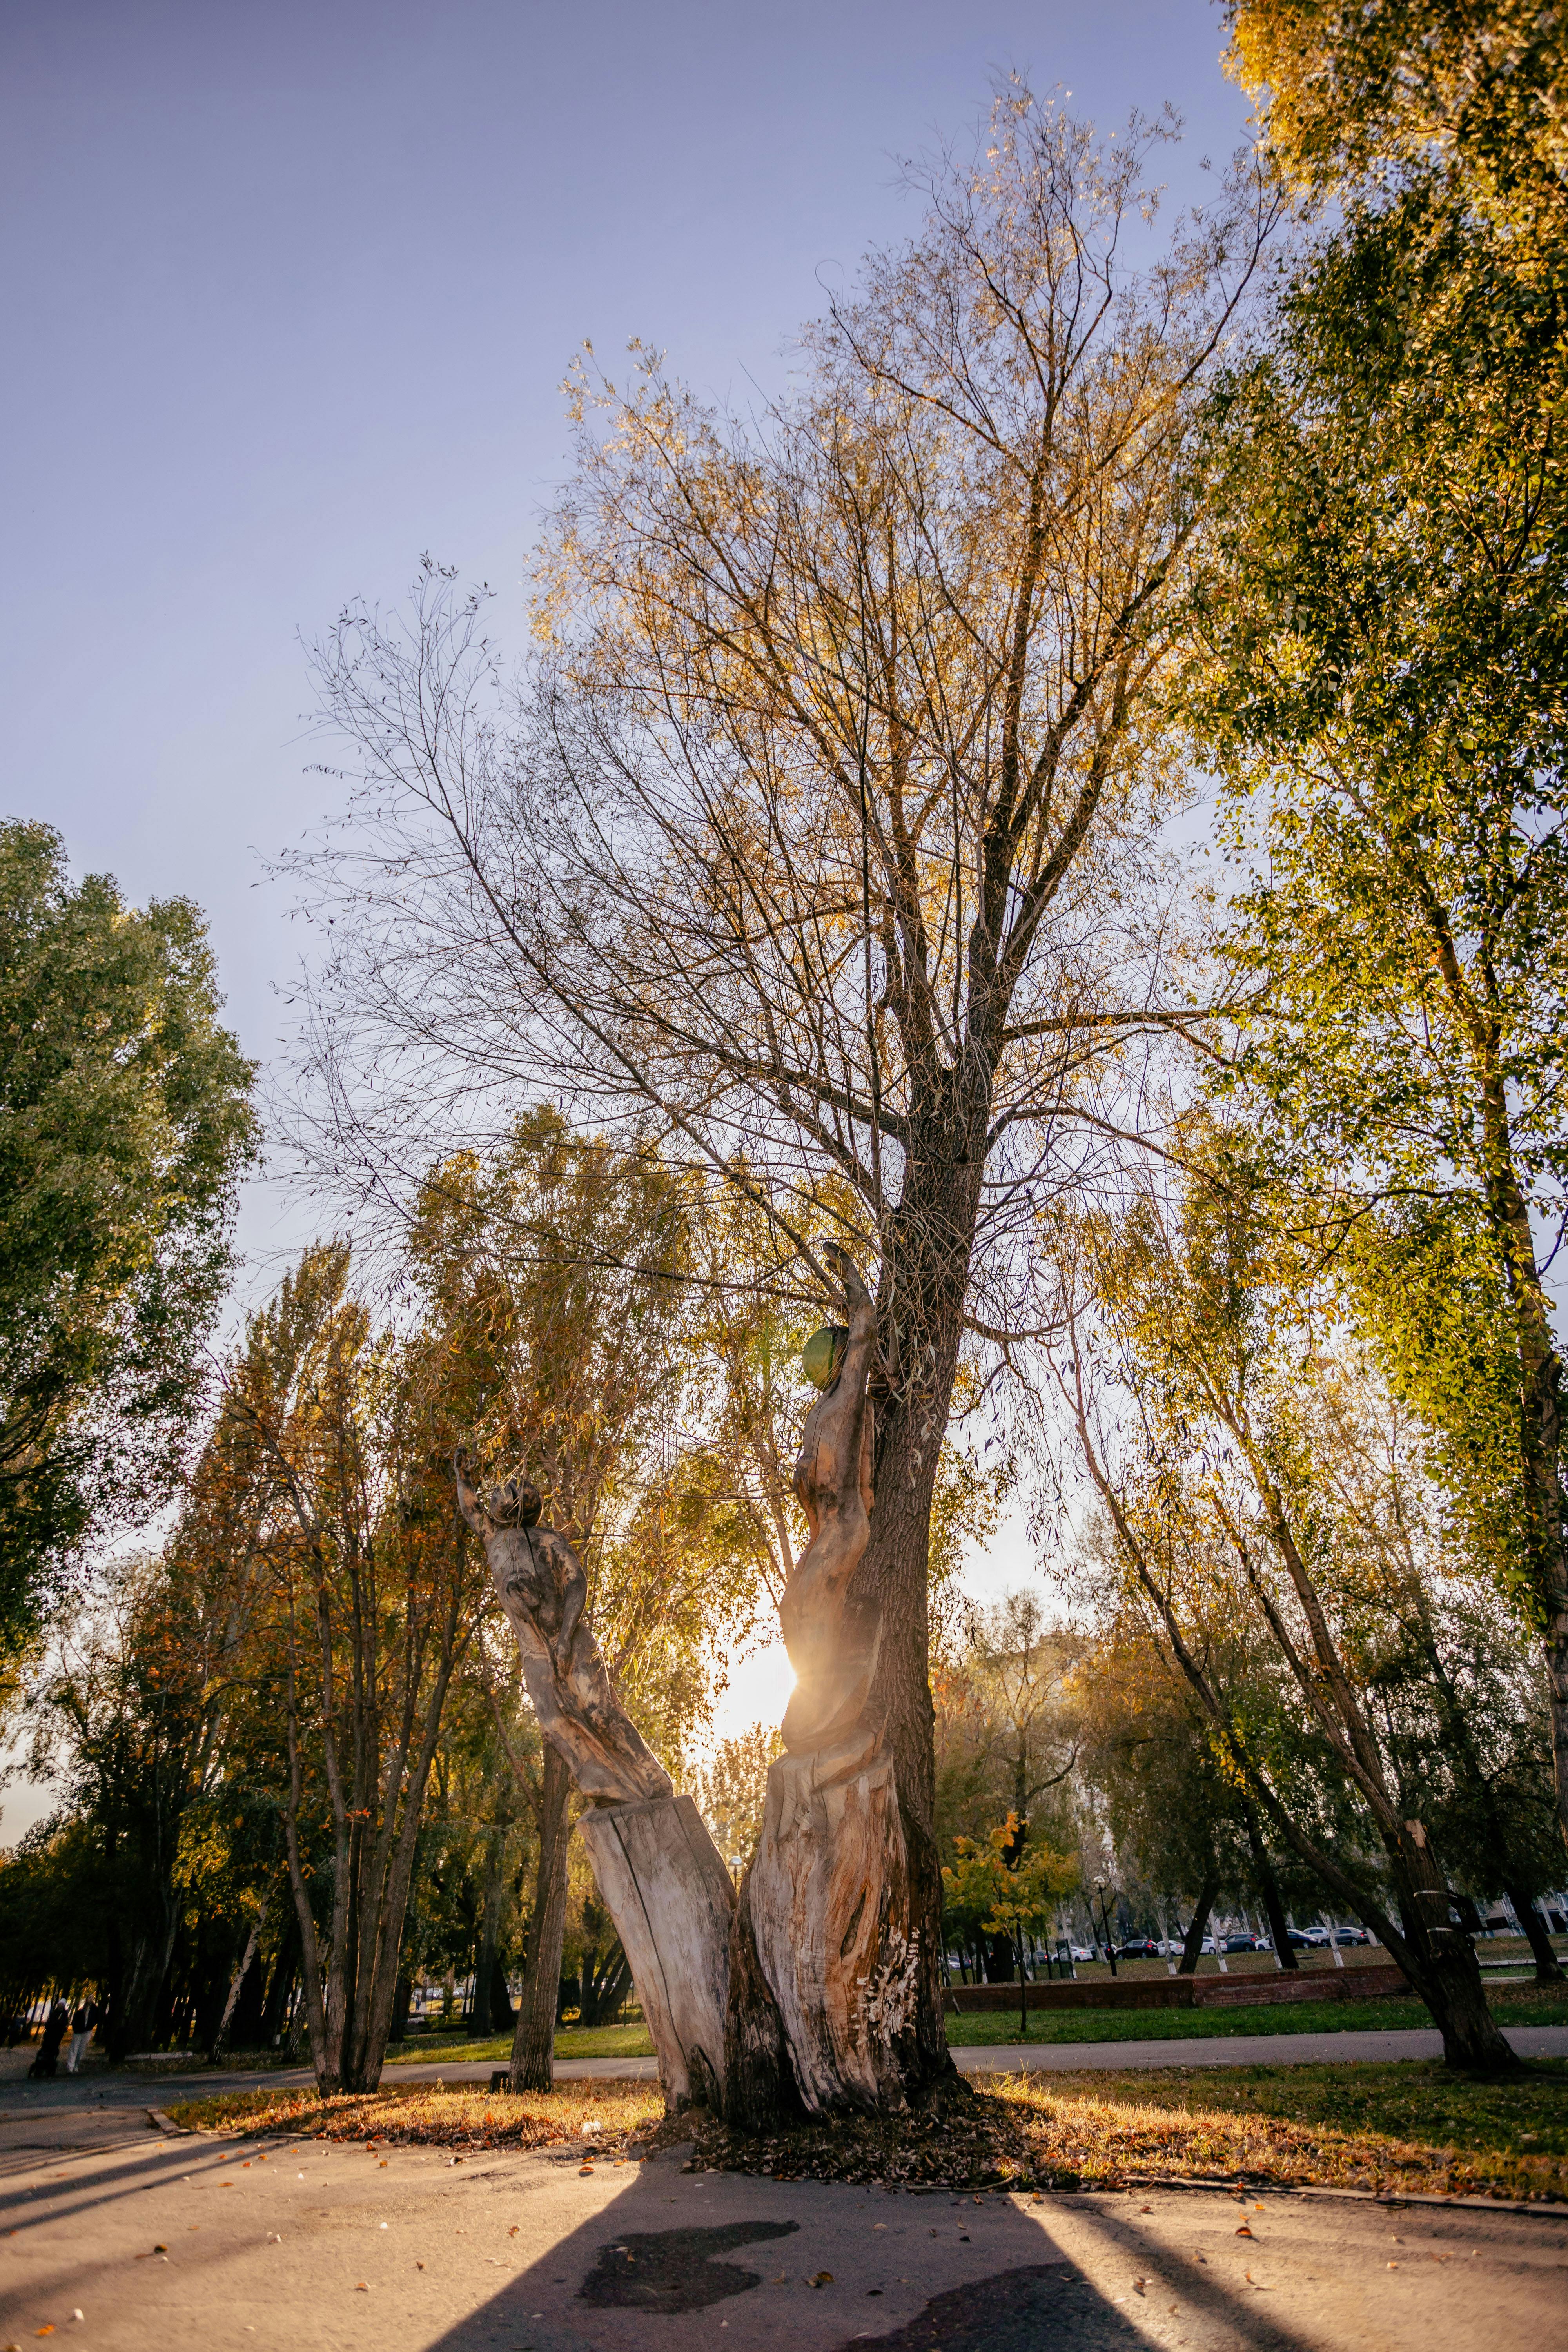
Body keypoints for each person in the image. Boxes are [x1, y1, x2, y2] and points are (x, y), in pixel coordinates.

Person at [27, 2002, 69, 2080]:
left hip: (57, 2036)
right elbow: (49, 2023)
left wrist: (56, 2025)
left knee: (52, 2052)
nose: (60, 2006)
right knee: (45, 2051)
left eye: (62, 2005)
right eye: (60, 2004)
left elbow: (63, 2025)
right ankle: (41, 2069)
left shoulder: (64, 2015)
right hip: (49, 2035)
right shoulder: (54, 2013)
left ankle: (48, 2069)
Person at [65, 1998, 98, 2073]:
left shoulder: (94, 2011)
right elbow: (75, 2022)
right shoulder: (80, 2012)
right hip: (78, 2031)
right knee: (74, 2049)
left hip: (88, 2031)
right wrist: (76, 2029)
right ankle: (70, 2067)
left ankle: (76, 2065)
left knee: (81, 2049)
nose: (91, 2000)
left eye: (92, 1998)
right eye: (89, 1998)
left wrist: (91, 2025)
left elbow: (98, 2017)